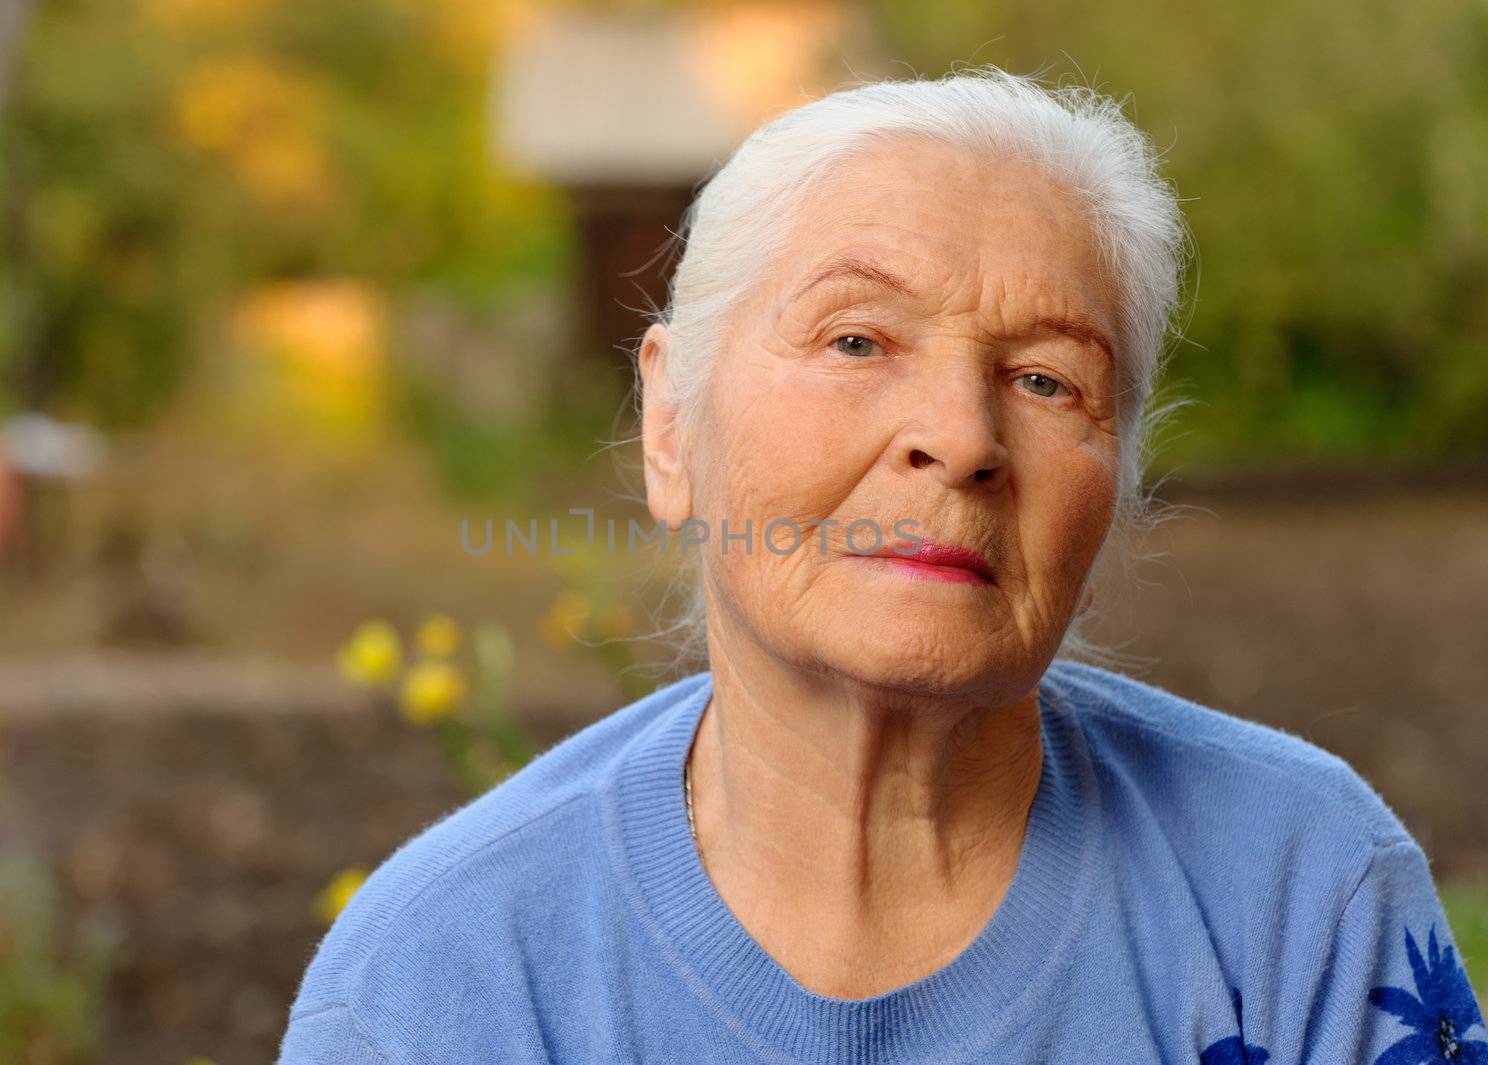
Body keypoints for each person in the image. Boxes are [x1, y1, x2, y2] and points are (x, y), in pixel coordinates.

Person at [276, 67, 1484, 1064]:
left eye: (1047, 380)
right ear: (668, 426)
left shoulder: (1296, 891)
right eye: (856, 339)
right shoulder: (443, 981)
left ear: (1114, 486)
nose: (959, 438)